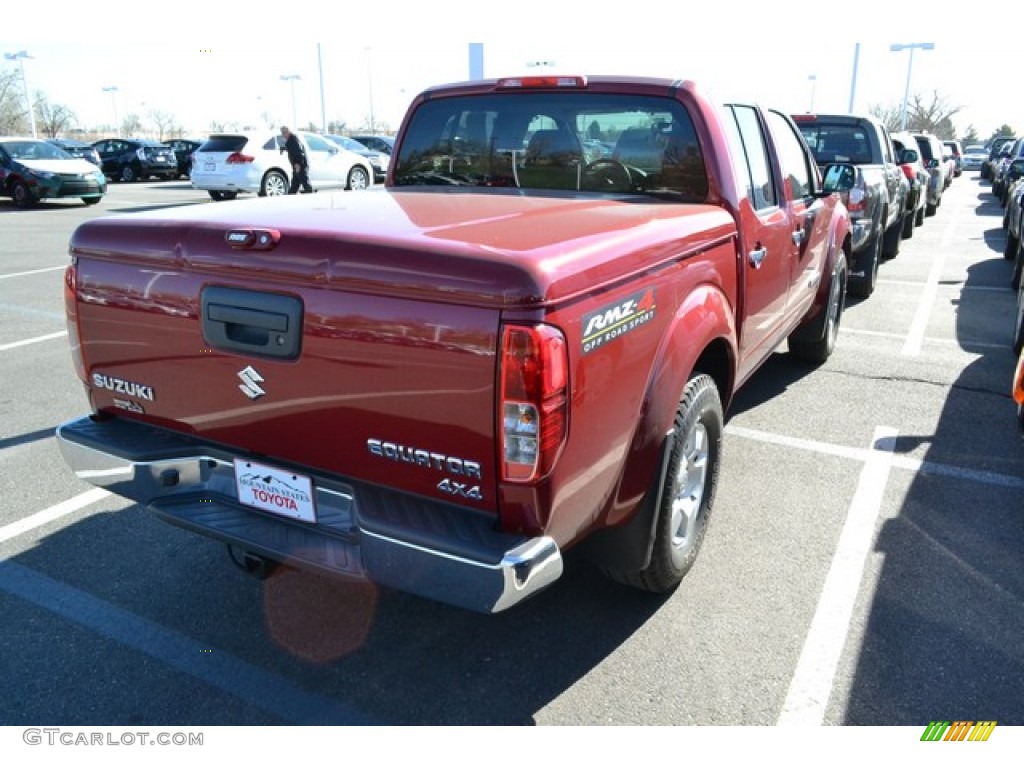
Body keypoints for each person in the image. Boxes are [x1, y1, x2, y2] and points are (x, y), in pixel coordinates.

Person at [280, 126, 312, 194]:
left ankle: (309, 196)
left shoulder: (293, 140)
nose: (283, 135)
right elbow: (292, 149)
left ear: (289, 131)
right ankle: (291, 194)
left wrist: (298, 164)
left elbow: (299, 152)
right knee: (294, 184)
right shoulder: (290, 140)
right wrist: (284, 148)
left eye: (285, 132)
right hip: (296, 165)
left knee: (305, 183)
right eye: (282, 133)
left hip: (300, 165)